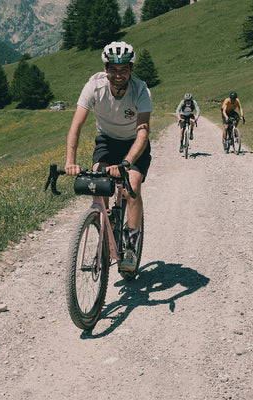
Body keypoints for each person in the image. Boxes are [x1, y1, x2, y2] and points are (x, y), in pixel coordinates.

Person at [64, 41, 152, 271]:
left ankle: (131, 246)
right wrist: (70, 161)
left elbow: (143, 133)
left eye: (124, 69)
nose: (118, 74)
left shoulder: (141, 90)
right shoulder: (94, 86)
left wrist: (126, 163)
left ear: (131, 69)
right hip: (107, 141)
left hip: (134, 144)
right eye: (113, 68)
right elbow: (76, 126)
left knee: (132, 187)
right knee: (98, 181)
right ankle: (106, 223)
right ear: (106, 68)